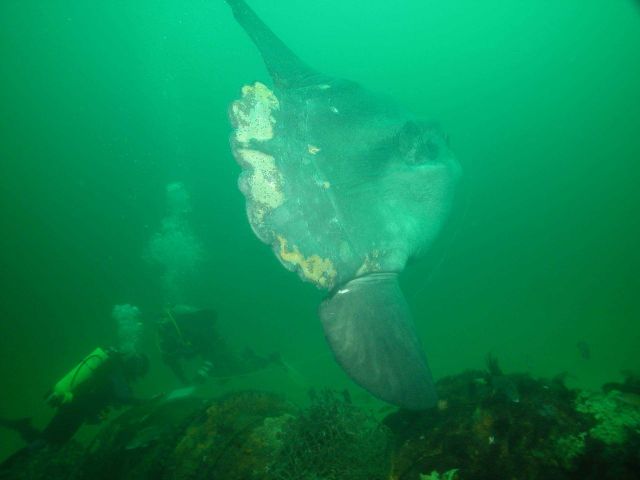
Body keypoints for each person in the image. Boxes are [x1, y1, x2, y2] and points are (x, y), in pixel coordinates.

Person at [0, 347, 149, 449]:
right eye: (139, 371)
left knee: (53, 441)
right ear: (135, 365)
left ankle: (24, 430)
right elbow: (124, 397)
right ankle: (22, 429)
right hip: (75, 407)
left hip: (77, 407)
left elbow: (111, 395)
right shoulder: (116, 369)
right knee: (49, 441)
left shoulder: (114, 368)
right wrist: (145, 402)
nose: (137, 376)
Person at [157, 306, 279, 385]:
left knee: (243, 371)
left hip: (216, 345)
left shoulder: (192, 327)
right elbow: (172, 363)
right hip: (204, 349)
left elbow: (212, 351)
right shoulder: (167, 342)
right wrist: (184, 381)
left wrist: (203, 372)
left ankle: (269, 358)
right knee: (220, 374)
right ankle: (244, 355)